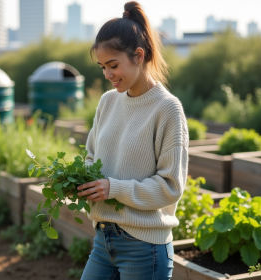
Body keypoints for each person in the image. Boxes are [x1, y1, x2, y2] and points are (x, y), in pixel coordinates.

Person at [76, 1, 189, 279]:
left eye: (113, 65)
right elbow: (91, 157)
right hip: (104, 240)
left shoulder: (167, 109)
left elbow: (170, 187)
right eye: (103, 67)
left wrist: (112, 188)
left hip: (145, 247)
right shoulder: (107, 102)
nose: (107, 75)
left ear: (138, 56)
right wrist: (81, 180)